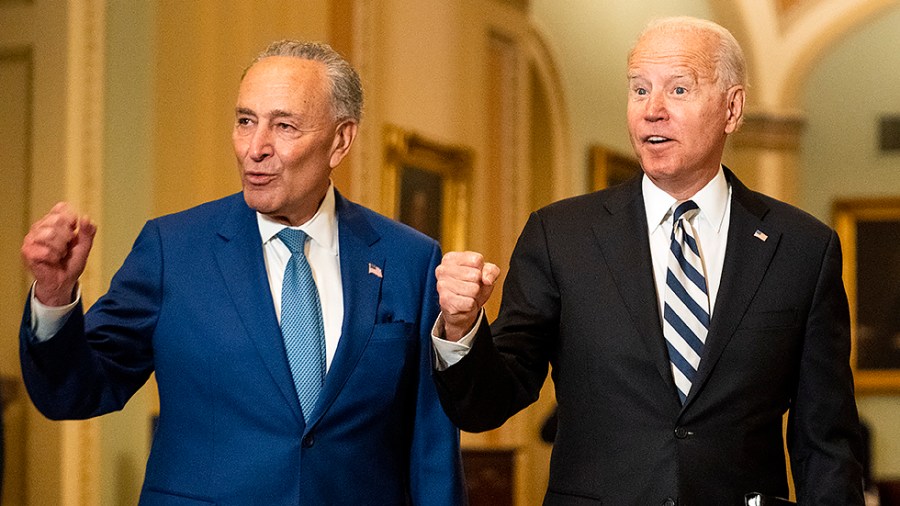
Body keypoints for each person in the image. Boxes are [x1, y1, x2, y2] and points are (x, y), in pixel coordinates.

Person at [432, 16, 864, 505]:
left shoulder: (802, 248)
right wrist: (461, 328)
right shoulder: (561, 236)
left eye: (678, 90)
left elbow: (825, 442)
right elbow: (491, 400)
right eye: (639, 90)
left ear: (733, 108)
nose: (652, 110)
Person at [19, 40, 465, 505]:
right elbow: (74, 392)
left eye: (284, 126)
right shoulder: (173, 249)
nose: (255, 148)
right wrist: (54, 296)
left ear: (340, 140)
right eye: (245, 121)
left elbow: (431, 448)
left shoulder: (410, 260)